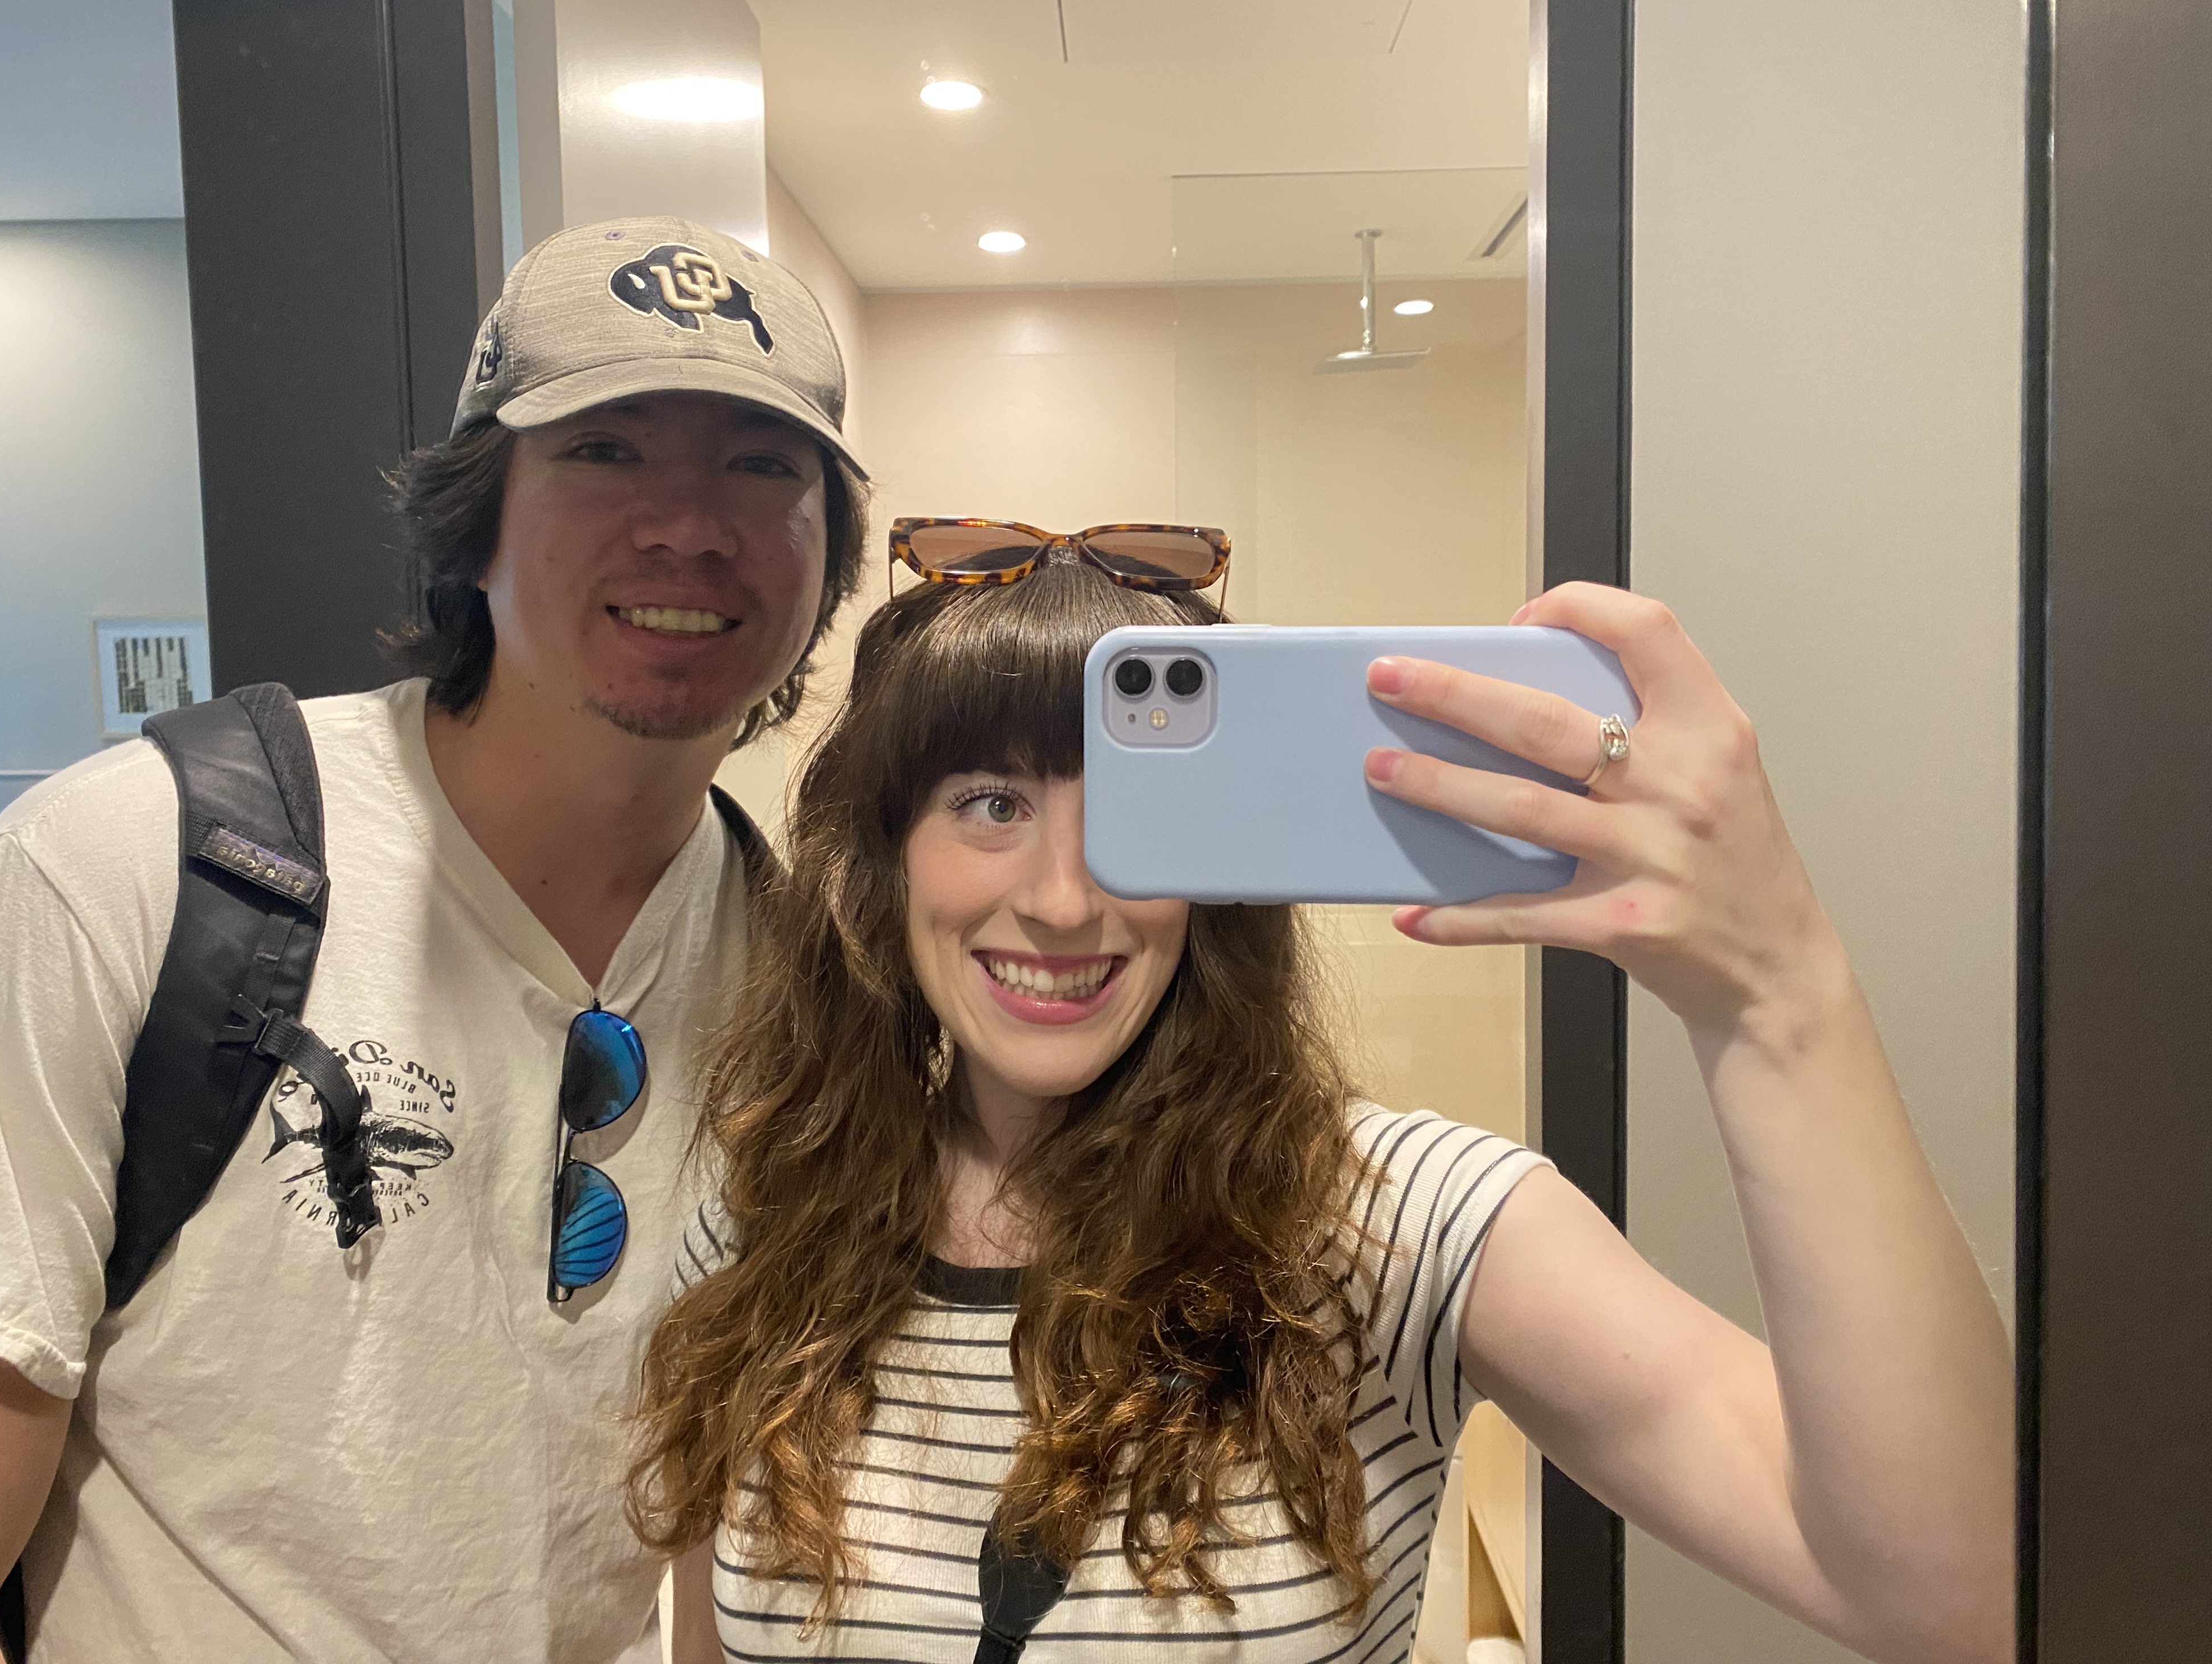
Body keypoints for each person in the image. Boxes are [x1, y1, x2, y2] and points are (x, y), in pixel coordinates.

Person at [633, 541, 2013, 1664]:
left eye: (1135, 808)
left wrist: (1777, 995)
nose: (1062, 899)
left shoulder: (1397, 1227)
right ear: (885, 863)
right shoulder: (767, 1227)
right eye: (990, 802)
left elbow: (1950, 1595)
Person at [0, 217, 867, 1662]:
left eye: (763, 466)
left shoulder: (817, 974)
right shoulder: (129, 867)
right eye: (606, 451)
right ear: (474, 517)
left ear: (828, 552)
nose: (688, 524)